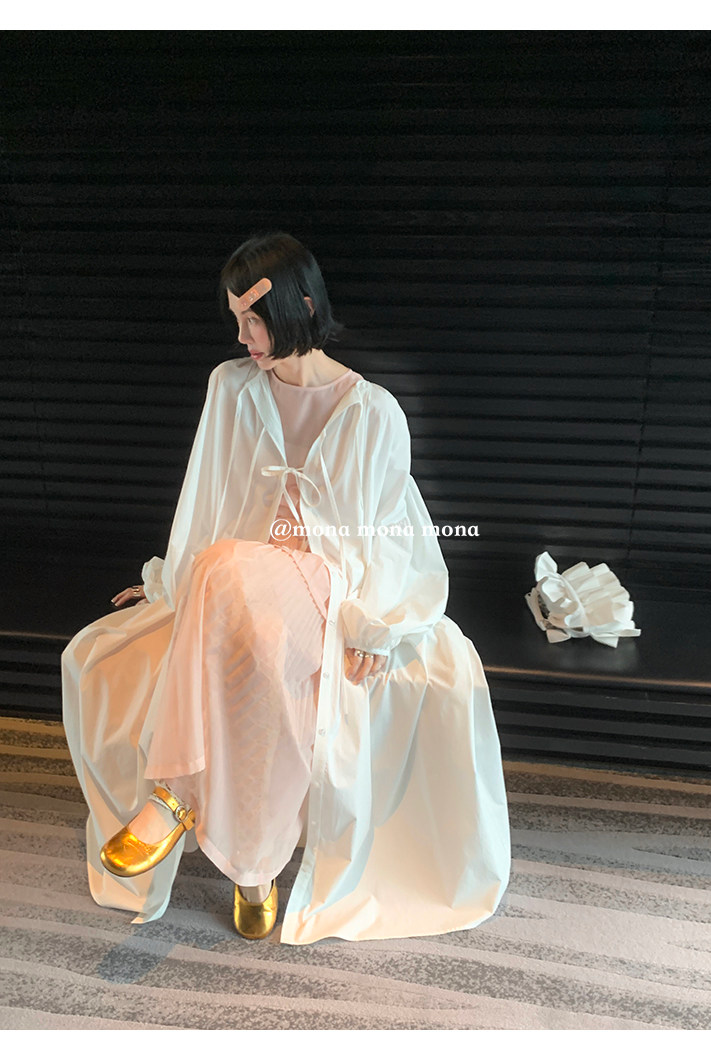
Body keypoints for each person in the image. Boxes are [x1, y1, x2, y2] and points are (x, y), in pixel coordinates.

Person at [62, 232, 512, 946]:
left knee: (222, 570)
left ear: (301, 305)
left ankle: (177, 799)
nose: (242, 338)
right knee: (204, 601)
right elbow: (204, 499)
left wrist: (375, 624)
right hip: (238, 581)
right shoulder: (230, 388)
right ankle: (254, 868)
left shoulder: (373, 411)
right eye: (236, 320)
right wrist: (169, 581)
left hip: (324, 590)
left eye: (254, 320)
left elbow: (390, 529)